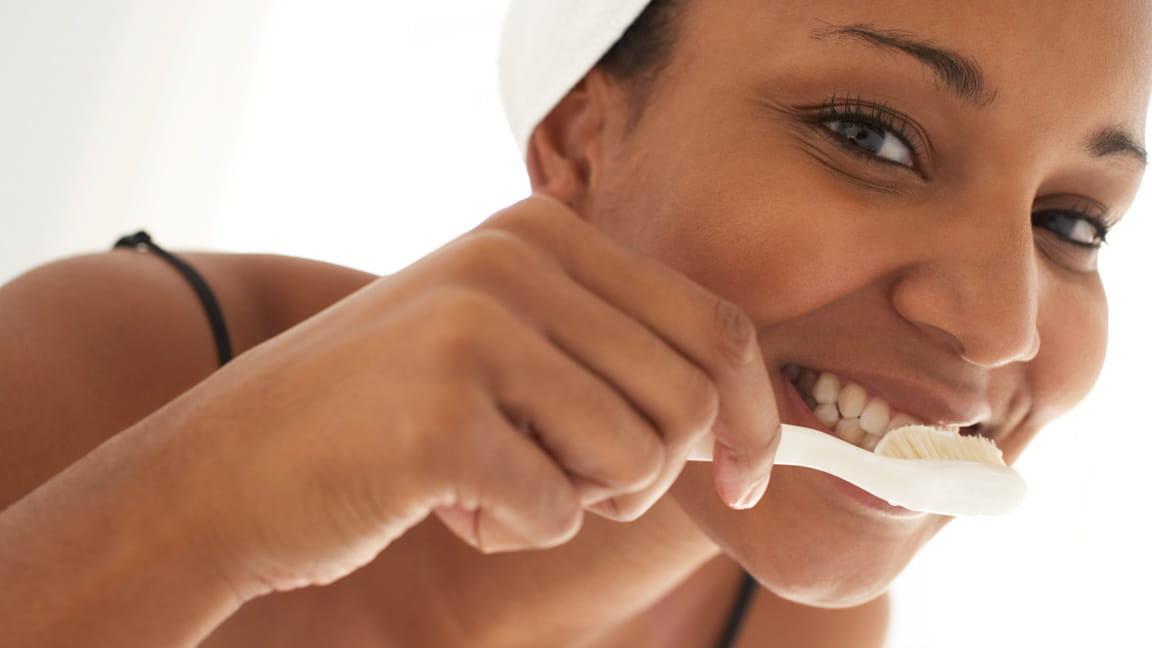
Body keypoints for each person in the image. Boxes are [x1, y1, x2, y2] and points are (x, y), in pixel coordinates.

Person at [0, 0, 1147, 645]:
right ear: (578, 136)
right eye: (873, 139)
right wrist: (200, 514)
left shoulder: (797, 634)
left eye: (1073, 223)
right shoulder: (116, 367)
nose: (1002, 322)